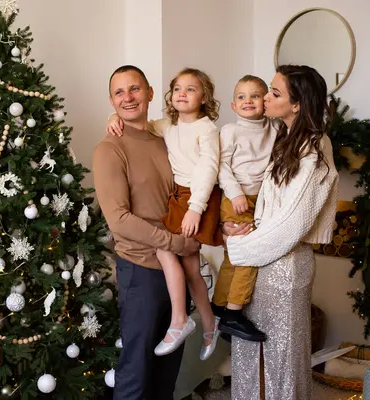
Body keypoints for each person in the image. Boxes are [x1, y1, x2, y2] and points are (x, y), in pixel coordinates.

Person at [223, 65, 339, 400]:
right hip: (262, 261)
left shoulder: (315, 148)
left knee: (281, 359)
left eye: (274, 93)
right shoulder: (285, 138)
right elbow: (269, 209)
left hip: (285, 269)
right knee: (249, 352)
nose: (265, 98)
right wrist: (241, 229)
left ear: (297, 104)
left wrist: (239, 246)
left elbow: (292, 223)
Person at [93, 65, 200, 400]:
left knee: (167, 372)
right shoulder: (110, 149)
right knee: (136, 369)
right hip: (140, 269)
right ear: (111, 100)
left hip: (178, 268)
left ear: (151, 92)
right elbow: (119, 219)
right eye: (120, 92)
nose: (128, 97)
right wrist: (174, 243)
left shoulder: (167, 139)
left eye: (135, 89)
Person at [106, 68, 222, 361]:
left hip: (196, 199)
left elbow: (210, 169)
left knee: (167, 251)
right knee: (191, 268)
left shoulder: (206, 129)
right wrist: (114, 118)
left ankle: (181, 320)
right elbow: (148, 124)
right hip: (181, 200)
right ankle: (208, 323)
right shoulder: (168, 126)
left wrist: (196, 208)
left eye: (191, 89)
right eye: (178, 89)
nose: (183, 94)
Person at [211, 75, 279, 342]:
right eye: (241, 97)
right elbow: (222, 166)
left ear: (265, 102)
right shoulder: (230, 131)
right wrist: (236, 193)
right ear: (233, 105)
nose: (248, 101)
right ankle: (234, 313)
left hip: (260, 200)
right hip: (236, 198)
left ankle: (220, 304)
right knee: (248, 254)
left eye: (254, 96)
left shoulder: (273, 129)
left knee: (235, 257)